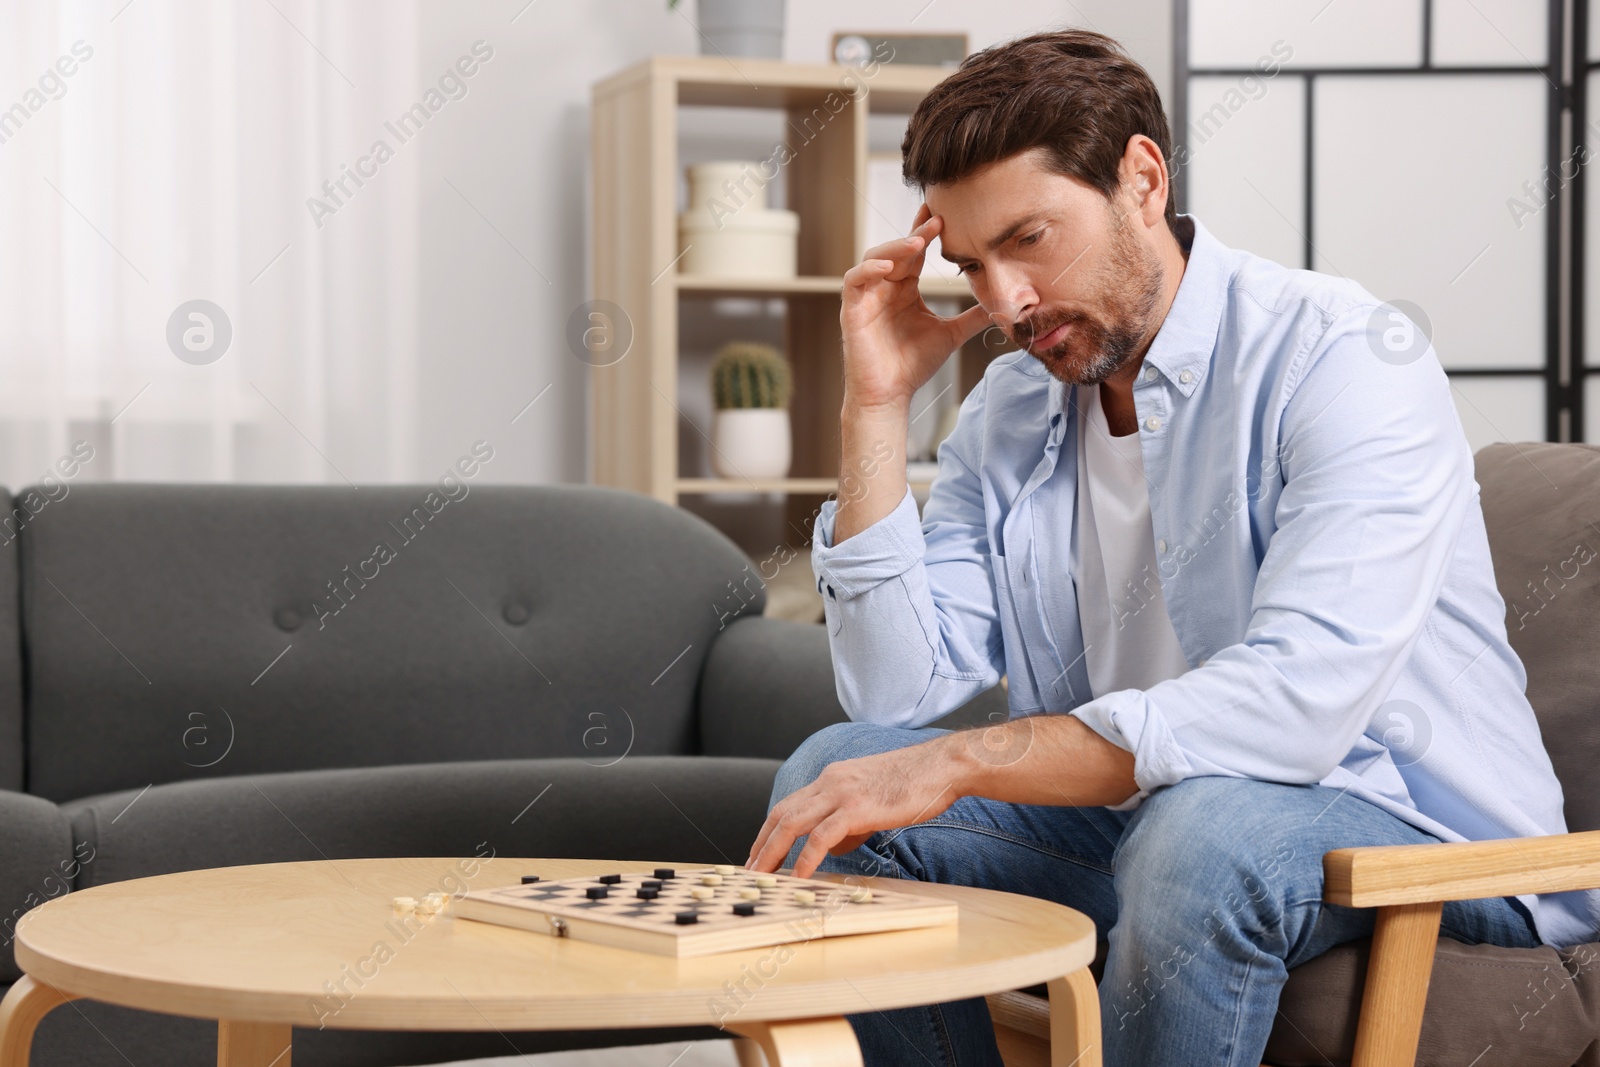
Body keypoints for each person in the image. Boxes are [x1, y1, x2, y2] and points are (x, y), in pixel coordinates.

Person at [741, 27, 1599, 1067]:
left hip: (1411, 831)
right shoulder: (1016, 402)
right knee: (834, 780)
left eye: (1029, 238)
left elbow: (1294, 704)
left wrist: (967, 757)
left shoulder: (1339, 356)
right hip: (1147, 815)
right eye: (972, 264)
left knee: (1201, 832)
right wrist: (875, 405)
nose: (1005, 303)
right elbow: (893, 694)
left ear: (1141, 178)